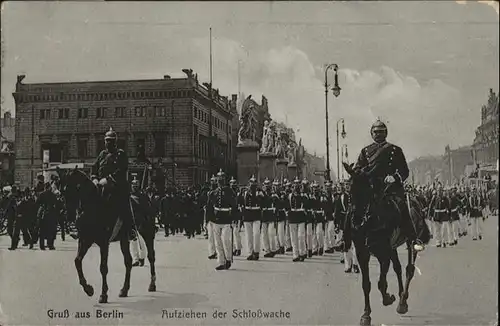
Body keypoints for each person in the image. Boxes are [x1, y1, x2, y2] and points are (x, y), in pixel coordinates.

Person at [354, 119, 423, 251]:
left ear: (386, 133)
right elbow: (358, 169)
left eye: (381, 132)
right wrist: (362, 173)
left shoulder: (395, 150)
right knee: (356, 208)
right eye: (375, 132)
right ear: (371, 134)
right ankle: (348, 238)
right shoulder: (365, 151)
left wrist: (395, 178)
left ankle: (412, 237)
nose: (378, 134)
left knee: (404, 207)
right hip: (372, 189)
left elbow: (404, 171)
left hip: (390, 189)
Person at [91, 127, 132, 241]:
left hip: (117, 187)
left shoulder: (120, 154)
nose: (108, 142)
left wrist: (108, 179)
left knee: (124, 207)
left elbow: (121, 170)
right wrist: (94, 178)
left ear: (115, 142)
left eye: (111, 140)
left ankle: (131, 230)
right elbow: (95, 168)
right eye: (107, 140)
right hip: (100, 185)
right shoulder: (102, 154)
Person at [206, 169, 237, 270]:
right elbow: (209, 207)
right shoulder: (213, 193)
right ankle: (221, 262)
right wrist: (208, 220)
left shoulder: (230, 192)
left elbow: (234, 206)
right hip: (215, 220)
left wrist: (234, 219)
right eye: (218, 180)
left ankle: (228, 258)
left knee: (225, 240)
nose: (220, 182)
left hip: (226, 219)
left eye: (222, 179)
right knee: (217, 242)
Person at [129, 177, 153, 267]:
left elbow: (147, 209)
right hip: (131, 221)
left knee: (141, 241)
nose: (134, 187)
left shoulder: (143, 197)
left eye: (136, 186)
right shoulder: (129, 197)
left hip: (141, 221)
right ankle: (135, 259)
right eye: (133, 186)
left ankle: (142, 258)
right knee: (133, 241)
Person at [242, 175, 263, 261]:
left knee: (256, 234)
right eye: (251, 183)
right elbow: (242, 203)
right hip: (247, 215)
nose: (252, 185)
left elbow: (263, 202)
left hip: (256, 214)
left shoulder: (259, 193)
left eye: (254, 183)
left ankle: (256, 251)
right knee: (248, 235)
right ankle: (250, 252)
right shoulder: (245, 193)